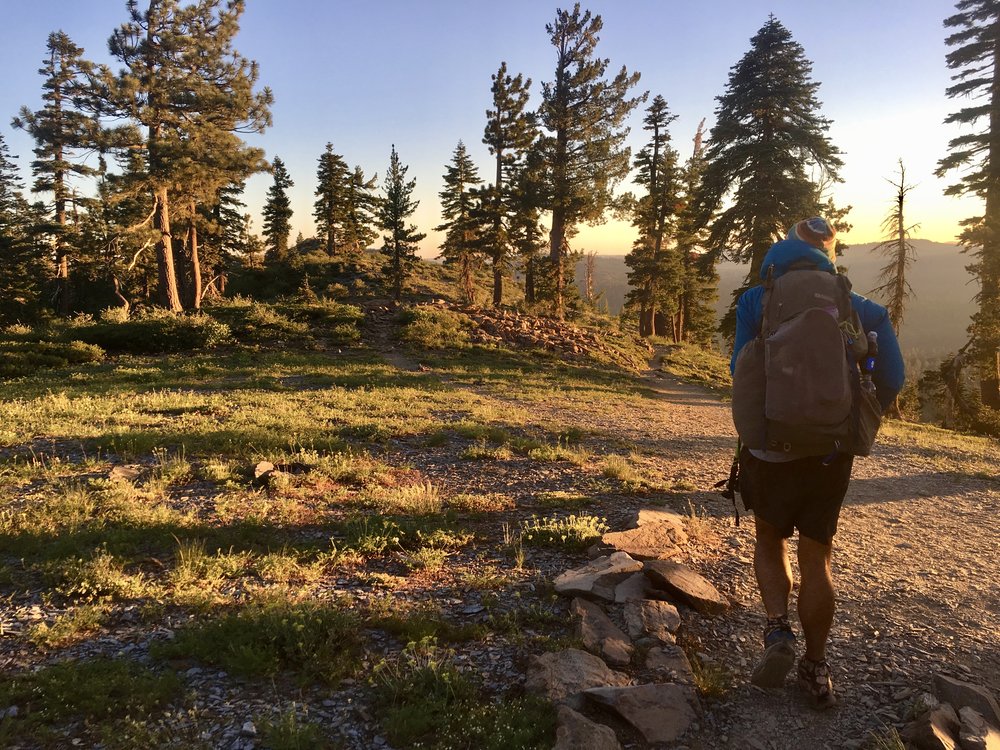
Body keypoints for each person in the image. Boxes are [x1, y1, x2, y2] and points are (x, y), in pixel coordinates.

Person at [730, 217, 905, 708]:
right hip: (830, 453)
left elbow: (740, 372)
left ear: (783, 247)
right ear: (830, 250)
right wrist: (856, 415)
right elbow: (893, 374)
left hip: (769, 449)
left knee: (769, 538)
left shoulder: (755, 300)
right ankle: (816, 666)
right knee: (816, 556)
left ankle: (777, 632)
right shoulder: (859, 306)